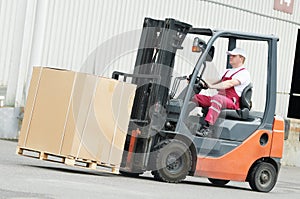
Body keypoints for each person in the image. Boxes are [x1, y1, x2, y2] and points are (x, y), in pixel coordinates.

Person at [193, 47, 251, 137]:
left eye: (234, 56)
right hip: (220, 99)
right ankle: (181, 120)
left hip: (232, 102)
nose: (230, 57)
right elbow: (214, 80)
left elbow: (229, 83)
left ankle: (207, 127)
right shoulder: (227, 71)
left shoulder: (244, 73)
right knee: (196, 97)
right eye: (230, 55)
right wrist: (201, 82)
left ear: (241, 58)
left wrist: (212, 86)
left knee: (217, 98)